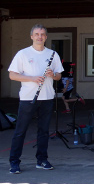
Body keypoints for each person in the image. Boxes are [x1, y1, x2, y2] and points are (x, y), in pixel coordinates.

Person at [8, 24, 63, 174]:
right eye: (37, 34)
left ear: (45, 37)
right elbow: (12, 75)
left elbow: (59, 76)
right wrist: (32, 78)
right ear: (32, 36)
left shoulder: (52, 54)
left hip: (47, 97)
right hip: (28, 98)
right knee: (20, 131)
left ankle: (42, 160)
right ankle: (14, 162)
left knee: (44, 131)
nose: (40, 37)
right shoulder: (23, 54)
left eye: (42, 34)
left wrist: (53, 75)